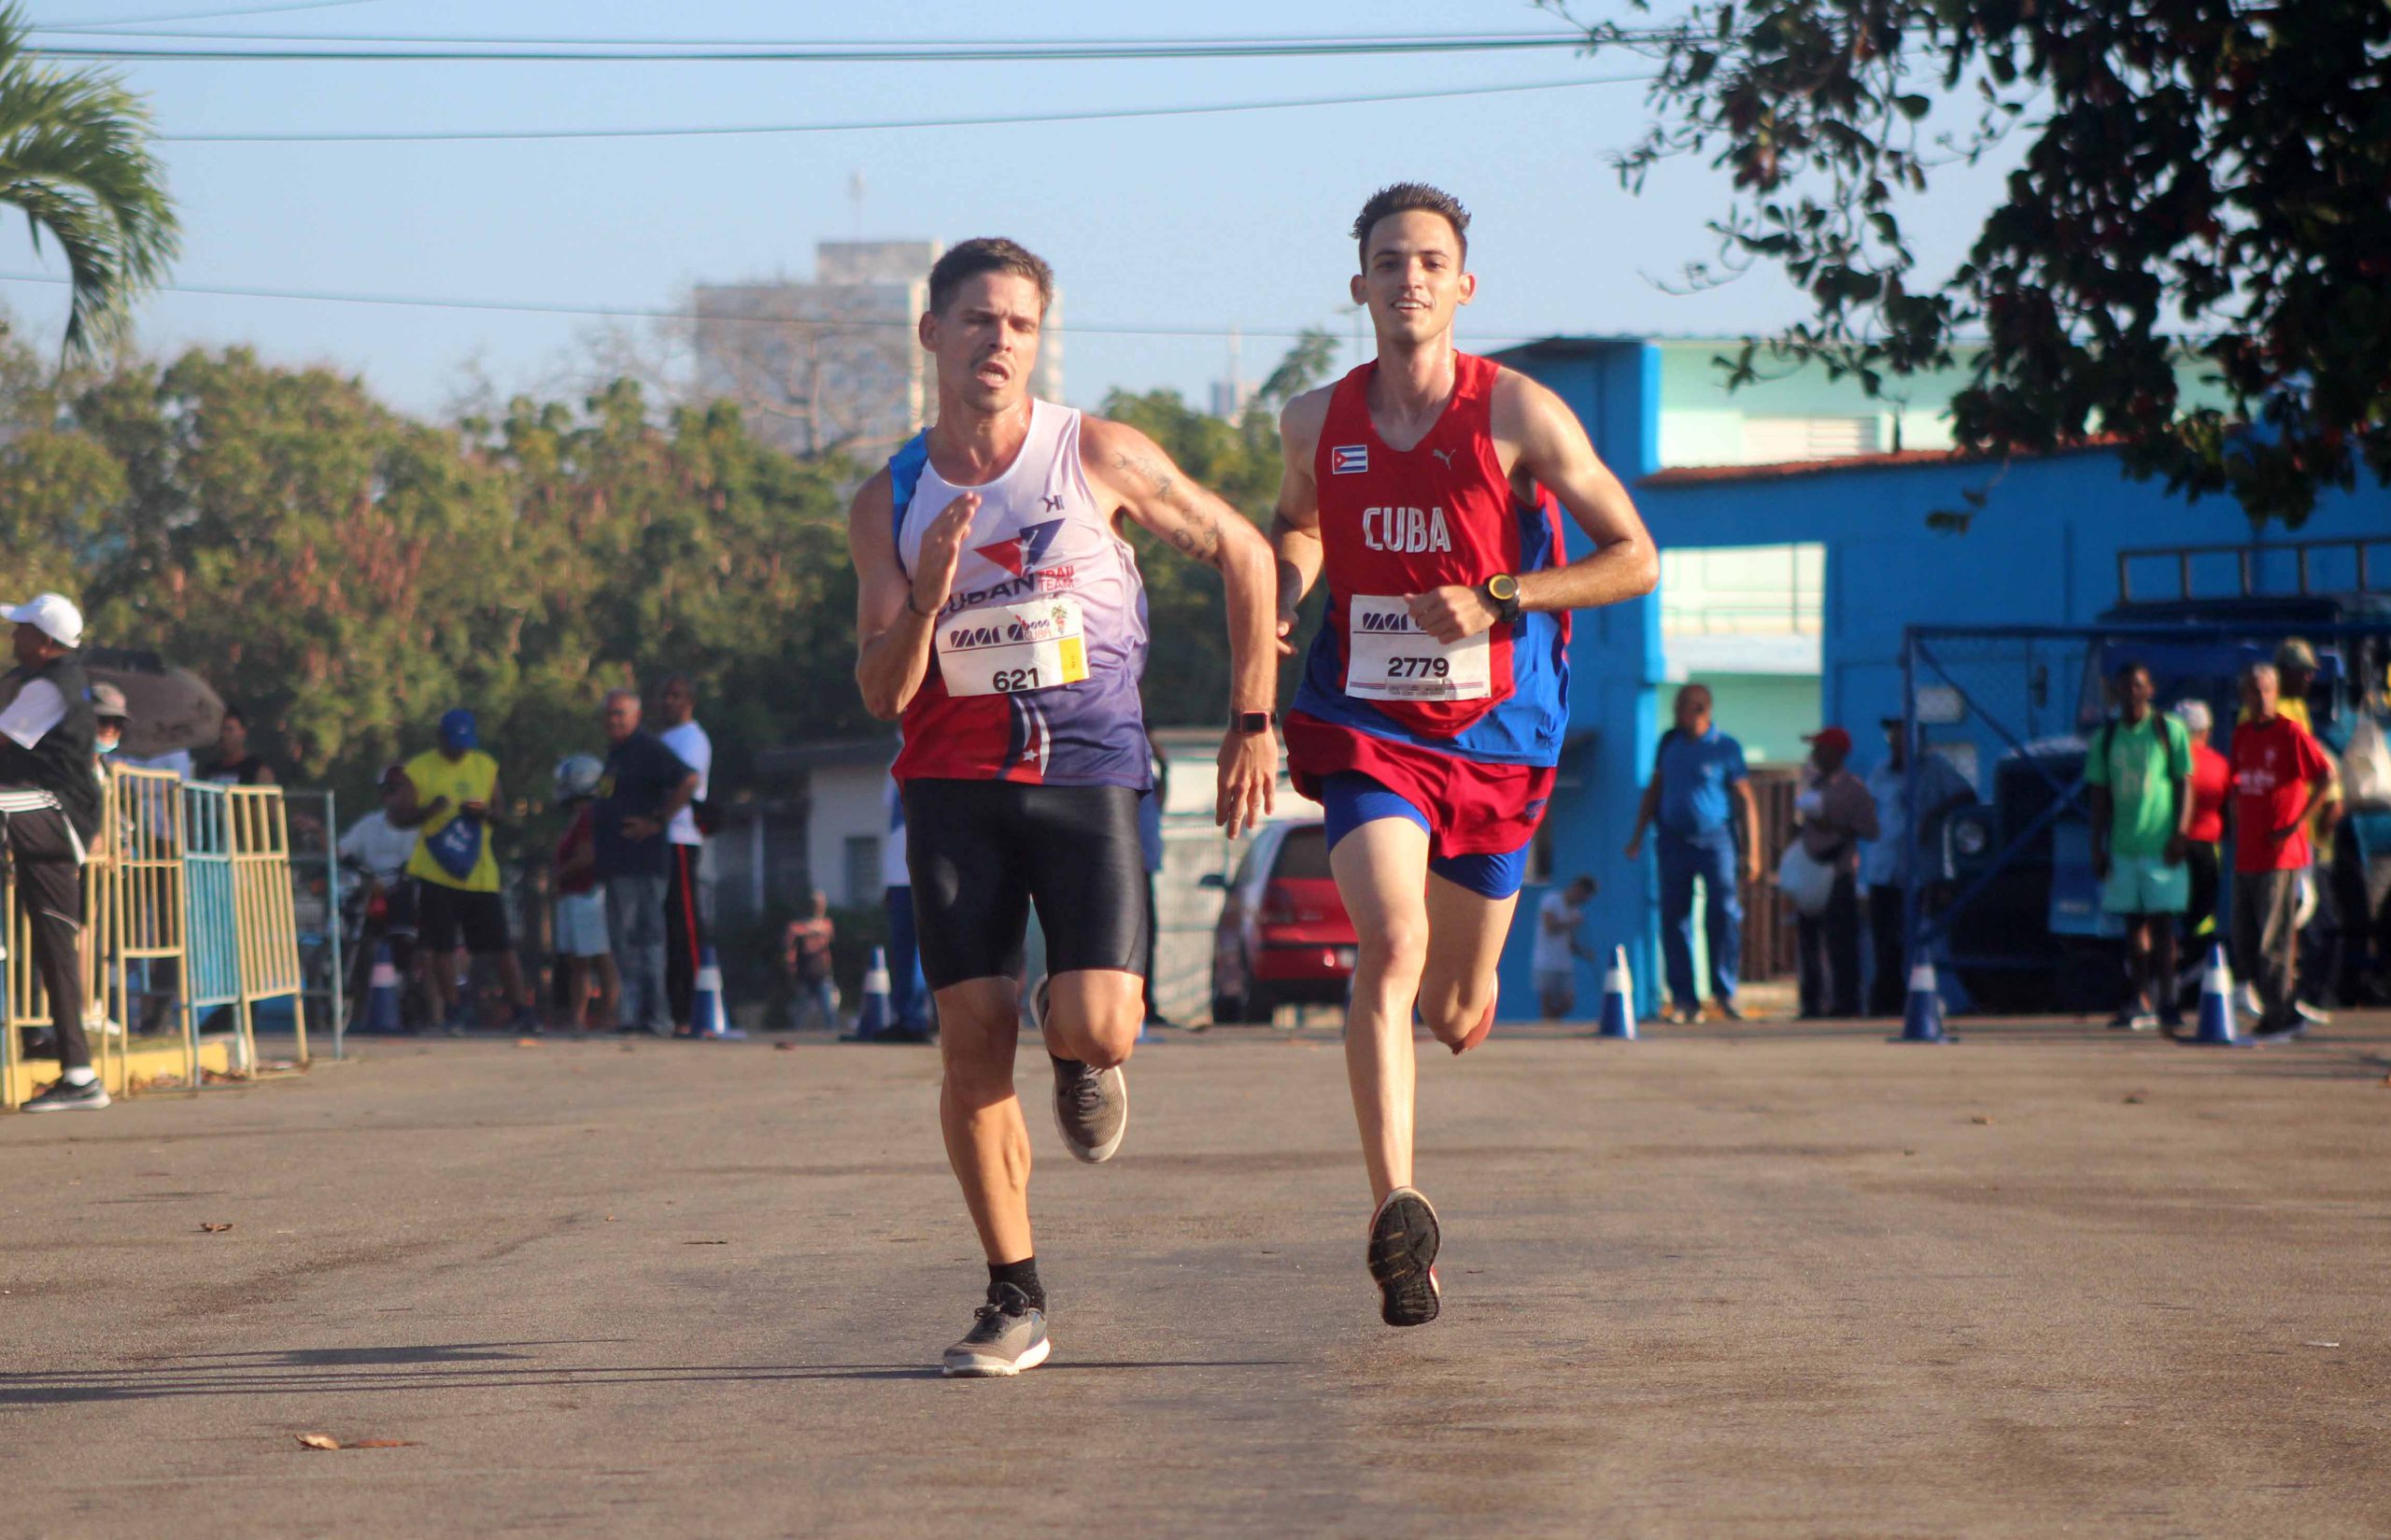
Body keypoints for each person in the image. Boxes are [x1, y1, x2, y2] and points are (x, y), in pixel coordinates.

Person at [846, 236, 1278, 1376]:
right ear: (931, 334)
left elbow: (1244, 551)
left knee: (1094, 1023)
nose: (999, 342)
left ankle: (1081, 1044)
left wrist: (1252, 717)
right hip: (951, 788)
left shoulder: (1095, 453)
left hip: (1087, 771)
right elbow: (884, 690)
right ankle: (1013, 1294)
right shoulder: (887, 497)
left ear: (1042, 341)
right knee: (968, 1044)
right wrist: (932, 588)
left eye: (1021, 325)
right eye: (978, 320)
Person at [1270, 184, 1656, 1328]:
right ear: (1360, 285)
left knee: (1452, 1002)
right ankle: (1397, 1214)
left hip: (1500, 735)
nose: (1410, 278)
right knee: (1387, 943)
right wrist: (1284, 589)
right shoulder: (1314, 422)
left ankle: (1469, 983)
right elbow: (1294, 522)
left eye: (1431, 261)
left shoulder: (1519, 414)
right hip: (1368, 721)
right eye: (1389, 260)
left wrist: (1504, 596)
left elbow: (1633, 556)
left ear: (1462, 285)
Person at [1, 595, 108, 1111]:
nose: (12, 636)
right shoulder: (48, 678)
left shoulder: (49, 684)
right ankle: (80, 1075)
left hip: (55, 813)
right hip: (56, 822)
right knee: (55, 948)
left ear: (46, 643)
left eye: (21, 629)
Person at [394, 708, 538, 1035]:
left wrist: (485, 812)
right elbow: (400, 816)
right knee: (441, 947)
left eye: (465, 744)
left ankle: (521, 1010)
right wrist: (429, 811)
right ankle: (455, 1010)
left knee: (501, 946)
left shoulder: (484, 765)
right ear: (440, 739)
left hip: (479, 874)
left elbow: (500, 811)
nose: (460, 751)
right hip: (436, 872)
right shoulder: (419, 770)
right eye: (453, 744)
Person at [1623, 684, 1758, 1024]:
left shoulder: (1725, 748)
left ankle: (1724, 994)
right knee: (1674, 918)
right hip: (1673, 841)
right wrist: (1637, 836)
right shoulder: (1670, 745)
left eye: (1681, 707)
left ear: (1699, 709)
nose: (1675, 715)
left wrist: (1753, 853)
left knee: (1723, 913)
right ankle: (1685, 1000)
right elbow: (1655, 790)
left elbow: (1746, 801)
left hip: (1717, 842)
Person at [2228, 663, 2334, 1040]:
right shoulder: (2241, 736)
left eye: (2267, 690)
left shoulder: (2291, 733)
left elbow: (2325, 777)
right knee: (2244, 935)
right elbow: (2238, 785)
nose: (2260, 698)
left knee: (2273, 939)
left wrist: (2296, 823)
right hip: (2247, 852)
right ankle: (2271, 1008)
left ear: (2276, 693)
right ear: (2244, 696)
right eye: (2253, 691)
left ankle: (2282, 1013)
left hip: (2280, 854)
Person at [2086, 662, 2195, 1031]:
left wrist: (2181, 832)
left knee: (2164, 926)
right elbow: (2099, 797)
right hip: (2123, 846)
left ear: (2150, 690)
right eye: (2124, 687)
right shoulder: (2106, 737)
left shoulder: (2169, 730)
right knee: (2133, 928)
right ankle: (2140, 999)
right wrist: (2096, 847)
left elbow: (2184, 784)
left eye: (2138, 686)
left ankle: (2169, 1000)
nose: (2131, 693)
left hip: (2161, 845)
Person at [593, 688, 699, 1038]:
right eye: (609, 714)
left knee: (645, 941)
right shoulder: (617, 754)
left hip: (642, 863)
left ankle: (655, 1017)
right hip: (616, 864)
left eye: (620, 714)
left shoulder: (647, 749)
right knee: (623, 943)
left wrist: (658, 821)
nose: (613, 720)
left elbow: (688, 780)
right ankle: (634, 1015)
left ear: (636, 716)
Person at [1860, 717, 1974, 1016]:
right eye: (1893, 737)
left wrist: (1933, 815)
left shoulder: (1934, 768)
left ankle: (1926, 1003)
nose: (1897, 742)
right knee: (1884, 943)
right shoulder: (1880, 772)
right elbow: (1868, 808)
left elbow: (1966, 794)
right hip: (1884, 868)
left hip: (1919, 871)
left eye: (1903, 736)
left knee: (1918, 941)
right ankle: (1883, 1006)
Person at [1792, 727, 1879, 1019]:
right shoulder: (1812, 785)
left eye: (1821, 748)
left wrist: (1838, 826)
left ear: (1837, 753)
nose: (1815, 754)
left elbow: (1871, 829)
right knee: (1808, 940)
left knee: (1840, 941)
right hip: (1811, 873)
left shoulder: (1853, 788)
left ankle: (1846, 1003)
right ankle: (1811, 1003)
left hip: (1838, 873)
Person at [338, 764, 424, 1023]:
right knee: (349, 919)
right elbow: (341, 849)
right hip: (370, 891)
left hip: (403, 891)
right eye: (387, 790)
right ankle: (345, 983)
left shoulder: (420, 825)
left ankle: (408, 987)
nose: (392, 796)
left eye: (397, 789)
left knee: (405, 931)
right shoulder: (369, 824)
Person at [654, 674, 714, 1035]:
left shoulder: (692, 738)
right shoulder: (662, 739)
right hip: (659, 843)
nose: (668, 702)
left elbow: (687, 782)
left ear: (689, 700)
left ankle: (694, 1006)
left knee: (685, 925)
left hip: (681, 837)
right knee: (663, 929)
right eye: (664, 696)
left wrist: (660, 817)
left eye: (675, 695)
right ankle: (672, 1008)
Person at [549, 754, 617, 1034]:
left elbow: (587, 856)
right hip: (573, 894)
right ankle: (578, 1019)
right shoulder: (578, 816)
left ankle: (607, 1017)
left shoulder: (590, 816)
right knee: (577, 961)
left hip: (587, 893)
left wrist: (559, 875)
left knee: (600, 957)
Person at [873, 778, 933, 1043]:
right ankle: (907, 1017)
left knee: (923, 951)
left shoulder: (936, 750)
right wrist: (888, 880)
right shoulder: (896, 760)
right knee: (904, 951)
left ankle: (918, 1018)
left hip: (925, 871)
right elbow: (893, 827)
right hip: (899, 877)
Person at [2173, 699, 2230, 950]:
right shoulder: (2220, 764)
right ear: (2206, 731)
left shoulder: (2168, 763)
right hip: (2208, 848)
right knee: (2203, 912)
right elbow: (2229, 809)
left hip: (2173, 847)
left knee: (2172, 911)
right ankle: (2198, 958)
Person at [1138, 729, 1175, 1029]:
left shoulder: (1152, 778)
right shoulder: (1124, 763)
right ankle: (1136, 1003)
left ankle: (1148, 1003)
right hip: (1126, 862)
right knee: (1132, 938)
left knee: (1149, 937)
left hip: (1145, 864)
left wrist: (1164, 763)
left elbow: (1162, 796)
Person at [1533, 875, 1598, 1019]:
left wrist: (1584, 953)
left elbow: (1571, 942)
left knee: (1568, 1002)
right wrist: (1570, 923)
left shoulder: (1575, 911)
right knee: (1547, 1002)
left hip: (1564, 963)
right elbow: (1549, 927)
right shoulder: (1551, 899)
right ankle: (1548, 1023)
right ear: (1578, 889)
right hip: (1545, 962)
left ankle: (1552, 1020)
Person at [780, 890, 837, 1031]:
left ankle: (832, 1037)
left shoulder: (826, 925)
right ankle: (796, 1035)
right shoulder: (795, 927)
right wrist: (791, 971)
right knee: (801, 1011)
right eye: (814, 904)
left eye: (819, 904)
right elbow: (789, 951)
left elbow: (830, 943)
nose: (817, 907)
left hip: (823, 973)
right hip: (804, 974)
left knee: (829, 1009)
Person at [199, 704, 276, 785]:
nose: (224, 735)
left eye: (229, 730)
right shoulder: (209, 770)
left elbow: (268, 794)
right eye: (220, 730)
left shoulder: (257, 769)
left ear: (243, 733)